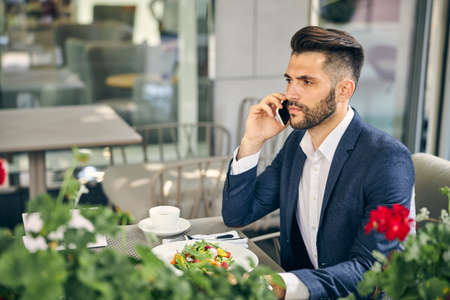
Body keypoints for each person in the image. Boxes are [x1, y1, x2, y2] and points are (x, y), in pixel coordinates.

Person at [222, 26, 414, 299]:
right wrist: (252, 141)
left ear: (344, 90)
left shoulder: (386, 159)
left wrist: (283, 286)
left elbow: (371, 270)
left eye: (307, 82)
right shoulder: (295, 145)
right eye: (289, 80)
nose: (291, 94)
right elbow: (237, 214)